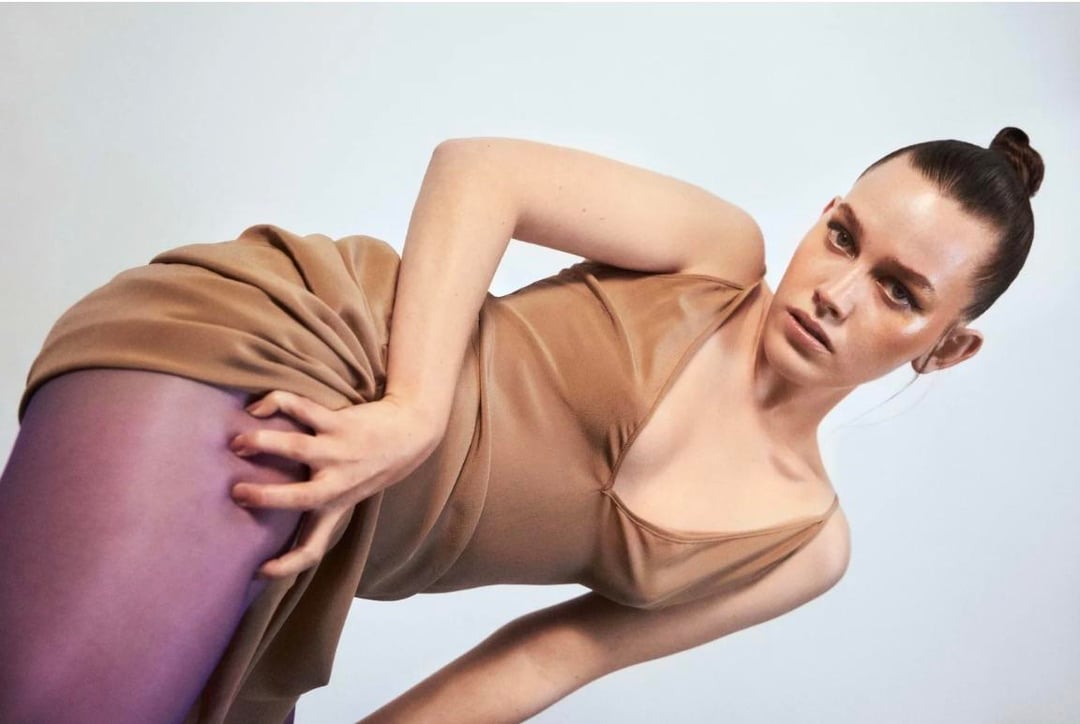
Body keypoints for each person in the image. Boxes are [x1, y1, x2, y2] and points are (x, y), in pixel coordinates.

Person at [0, 127, 1043, 724]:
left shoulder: (801, 546)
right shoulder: (717, 255)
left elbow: (549, 660)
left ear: (948, 348)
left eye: (899, 291)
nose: (835, 293)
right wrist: (413, 411)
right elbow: (479, 170)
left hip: (324, 555)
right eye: (843, 237)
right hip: (290, 355)